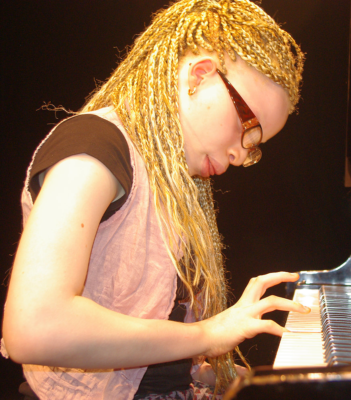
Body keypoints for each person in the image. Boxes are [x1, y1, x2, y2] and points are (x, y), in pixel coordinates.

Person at [1, 0, 306, 399]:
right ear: (200, 75)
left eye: (254, 147)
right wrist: (207, 334)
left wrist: (230, 377)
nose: (239, 155)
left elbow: (159, 363)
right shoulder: (94, 147)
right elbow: (34, 328)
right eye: (247, 127)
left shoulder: (172, 178)